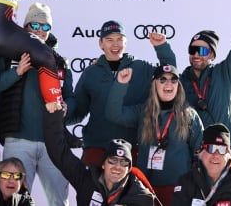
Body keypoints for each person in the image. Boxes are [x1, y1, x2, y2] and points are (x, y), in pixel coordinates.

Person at [67, 20, 176, 168]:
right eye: (109, 40)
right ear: (101, 44)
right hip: (97, 147)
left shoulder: (141, 68)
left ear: (126, 42)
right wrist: (60, 114)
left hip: (131, 149)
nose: (115, 44)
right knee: (89, 190)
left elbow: (169, 74)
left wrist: (162, 47)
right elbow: (79, 111)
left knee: (132, 191)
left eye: (119, 39)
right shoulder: (91, 73)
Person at [0, 2, 72, 205]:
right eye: (34, 25)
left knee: (59, 201)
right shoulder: (7, 54)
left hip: (53, 143)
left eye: (44, 26)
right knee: (15, 201)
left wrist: (67, 106)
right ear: (25, 26)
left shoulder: (60, 61)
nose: (39, 30)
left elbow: (70, 97)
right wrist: (16, 72)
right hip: (18, 141)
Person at [180, 0, 231, 168]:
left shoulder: (224, 73)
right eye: (192, 49)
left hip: (228, 153)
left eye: (202, 50)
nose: (196, 54)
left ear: (211, 55)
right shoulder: (180, 82)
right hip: (198, 155)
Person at [105, 64, 204, 206]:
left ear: (179, 85)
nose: (168, 84)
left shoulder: (189, 115)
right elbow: (113, 114)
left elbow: (201, 154)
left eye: (173, 80)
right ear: (154, 85)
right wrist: (120, 84)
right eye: (162, 80)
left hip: (180, 191)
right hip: (146, 190)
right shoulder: (143, 112)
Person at [43, 107, 156, 205]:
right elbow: (59, 152)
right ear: (103, 164)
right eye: (112, 160)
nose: (117, 166)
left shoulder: (141, 196)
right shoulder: (86, 180)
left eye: (124, 163)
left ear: (129, 169)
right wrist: (55, 115)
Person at [172, 124, 231, 205]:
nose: (216, 155)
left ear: (228, 155)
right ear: (201, 152)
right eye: (211, 148)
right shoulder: (186, 182)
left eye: (222, 149)